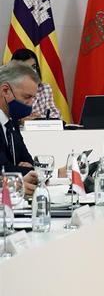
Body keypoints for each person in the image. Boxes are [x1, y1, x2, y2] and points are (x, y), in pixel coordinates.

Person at [0, 61, 43, 195]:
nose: (31, 104)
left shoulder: (11, 122)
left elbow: (29, 161)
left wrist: (26, 169)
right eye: (27, 97)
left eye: (33, 98)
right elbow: (4, 169)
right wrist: (22, 171)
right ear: (5, 90)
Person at [10, 48, 59, 120]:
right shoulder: (7, 90)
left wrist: (37, 118)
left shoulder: (44, 88)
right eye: (26, 68)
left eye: (33, 67)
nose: (31, 71)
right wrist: (19, 120)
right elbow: (3, 117)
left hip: (38, 129)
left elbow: (55, 114)